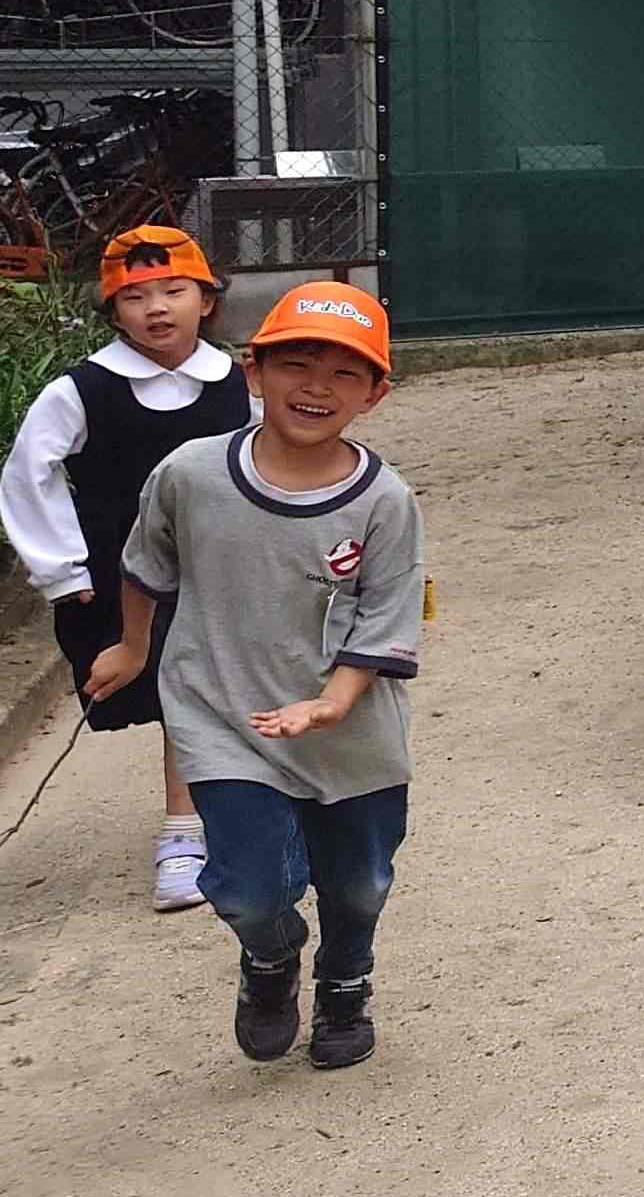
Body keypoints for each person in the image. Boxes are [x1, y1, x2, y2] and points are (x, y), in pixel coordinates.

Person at [89, 281, 423, 1070]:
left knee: (361, 885)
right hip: (224, 716)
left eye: (345, 374)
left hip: (352, 732)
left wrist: (332, 702)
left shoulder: (385, 501)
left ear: (375, 393)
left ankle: (346, 981)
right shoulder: (191, 474)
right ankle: (270, 962)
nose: (316, 387)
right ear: (253, 370)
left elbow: (386, 617)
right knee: (245, 888)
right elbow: (147, 565)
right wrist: (133, 649)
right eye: (296, 364)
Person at [0, 225, 251, 912]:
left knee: (223, 692)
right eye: (135, 296)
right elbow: (29, 475)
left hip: (223, 566)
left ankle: (235, 819)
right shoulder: (83, 391)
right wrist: (62, 571)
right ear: (113, 311)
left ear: (208, 299)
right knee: (179, 695)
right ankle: (182, 835)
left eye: (175, 290)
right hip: (125, 573)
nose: (157, 308)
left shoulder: (234, 384)